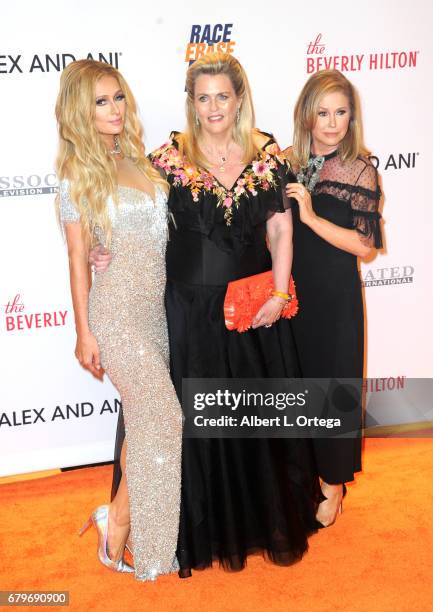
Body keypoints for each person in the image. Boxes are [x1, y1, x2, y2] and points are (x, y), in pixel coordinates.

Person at [92, 52, 320, 576]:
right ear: (190, 104)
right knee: (191, 425)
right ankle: (180, 530)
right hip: (189, 314)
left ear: (238, 98)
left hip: (252, 312)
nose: (213, 106)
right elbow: (128, 217)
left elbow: (281, 230)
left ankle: (250, 525)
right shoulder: (166, 159)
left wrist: (280, 294)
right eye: (203, 97)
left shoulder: (267, 156)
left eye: (223, 95)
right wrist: (95, 249)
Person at [55, 59, 182, 580]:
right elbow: (76, 258)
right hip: (115, 313)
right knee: (166, 418)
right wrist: (84, 330)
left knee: (145, 423)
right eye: (100, 102)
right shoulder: (76, 176)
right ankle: (137, 538)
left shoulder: (142, 163)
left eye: (118, 98)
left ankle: (116, 520)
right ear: (81, 113)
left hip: (156, 312)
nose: (113, 109)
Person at [284, 69, 382, 527]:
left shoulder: (360, 168)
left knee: (332, 388)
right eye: (322, 112)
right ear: (307, 116)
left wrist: (310, 216)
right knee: (298, 387)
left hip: (335, 297)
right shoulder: (286, 163)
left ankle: (334, 484)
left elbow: (365, 246)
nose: (332, 122)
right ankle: (305, 477)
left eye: (341, 112)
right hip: (293, 295)